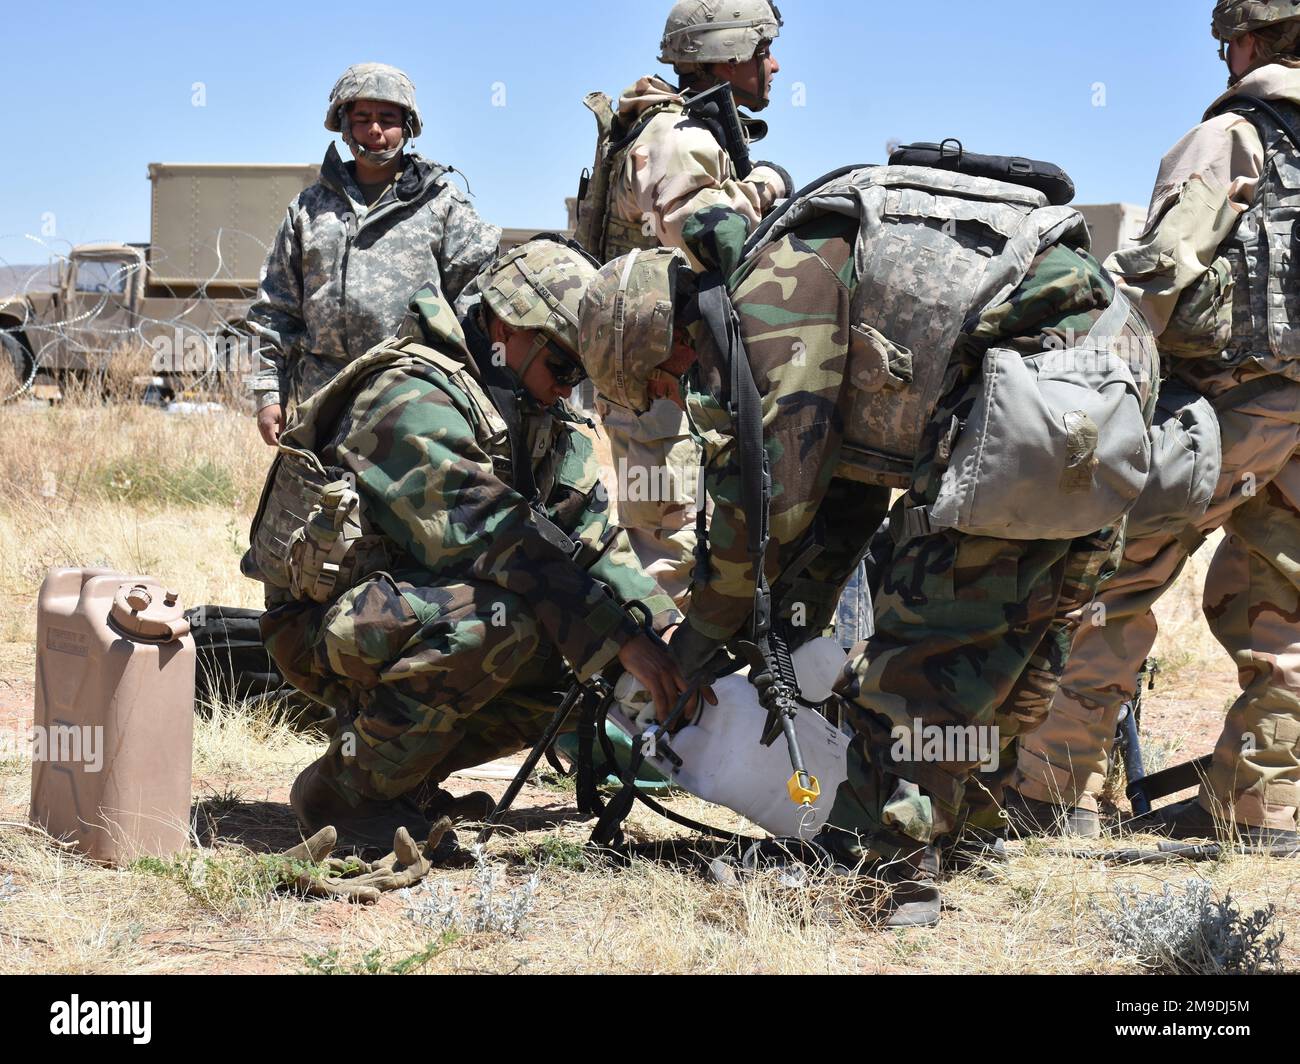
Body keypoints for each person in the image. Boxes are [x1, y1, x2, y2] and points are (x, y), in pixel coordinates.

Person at [578, 163, 1159, 926]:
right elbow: (843, 497)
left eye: (659, 379)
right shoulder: (785, 270)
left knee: (928, 641)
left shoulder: (767, 303)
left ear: (659, 335)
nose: (670, 395)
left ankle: (888, 871)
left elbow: (770, 501)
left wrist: (698, 647)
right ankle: (964, 829)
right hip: (1102, 385)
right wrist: (785, 632)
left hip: (1041, 394)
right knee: (1013, 634)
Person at [247, 238, 685, 854]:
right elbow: (499, 537)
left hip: (412, 612)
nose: (567, 389)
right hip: (328, 625)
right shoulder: (410, 397)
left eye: (579, 376)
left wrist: (663, 630)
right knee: (508, 623)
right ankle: (343, 793)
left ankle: (406, 777)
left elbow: (593, 541)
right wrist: (616, 637)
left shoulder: (538, 417)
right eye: (562, 367)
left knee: (581, 664)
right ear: (509, 326)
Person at [1009, 0, 1300, 848]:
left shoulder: (1235, 136)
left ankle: (1051, 794)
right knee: (1286, 612)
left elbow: (1158, 275)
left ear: (1245, 42)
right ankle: (1267, 811)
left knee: (1110, 589)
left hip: (1222, 412)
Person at [575, 0, 791, 606]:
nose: (773, 65)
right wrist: (769, 186)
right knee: (670, 562)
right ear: (724, 56)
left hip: (672, 377)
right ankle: (650, 693)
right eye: (760, 51)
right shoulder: (674, 136)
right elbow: (716, 238)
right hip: (664, 387)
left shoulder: (684, 126)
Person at [247, 62, 501, 447]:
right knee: (324, 506)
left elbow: (477, 302)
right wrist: (269, 393)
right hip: (324, 408)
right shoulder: (308, 210)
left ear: (408, 126)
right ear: (344, 125)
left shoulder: (441, 205)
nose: (375, 130)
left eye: (387, 118)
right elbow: (275, 311)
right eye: (362, 118)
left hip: (416, 407)